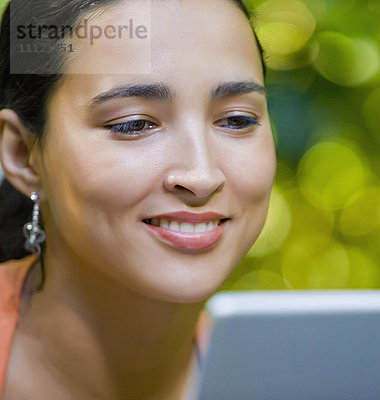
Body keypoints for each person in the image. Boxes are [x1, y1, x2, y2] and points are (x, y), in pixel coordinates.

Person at [0, 0, 276, 398]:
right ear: (24, 155)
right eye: (134, 124)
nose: (201, 176)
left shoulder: (290, 378)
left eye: (236, 120)